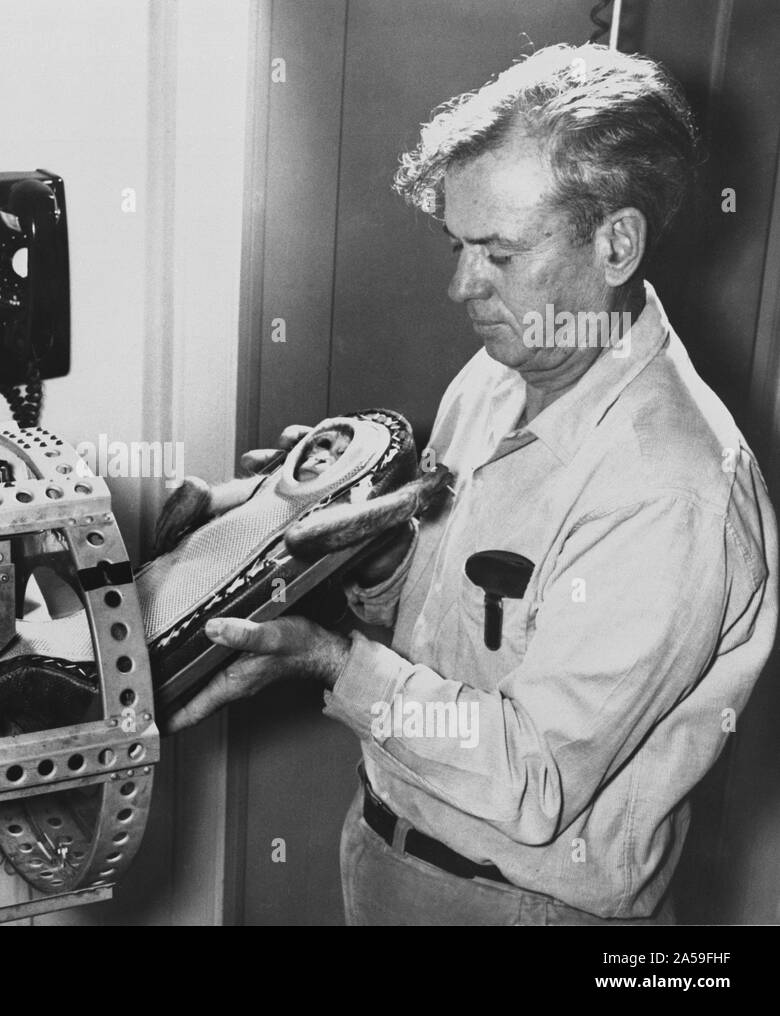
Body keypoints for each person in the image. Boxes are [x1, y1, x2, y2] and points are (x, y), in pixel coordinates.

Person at [168, 43, 778, 925]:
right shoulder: (501, 376)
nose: (461, 285)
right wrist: (370, 560)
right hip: (391, 850)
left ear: (616, 243)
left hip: (522, 907)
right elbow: (447, 627)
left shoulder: (671, 491)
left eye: (498, 252)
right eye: (456, 245)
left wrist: (331, 663)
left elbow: (531, 778)